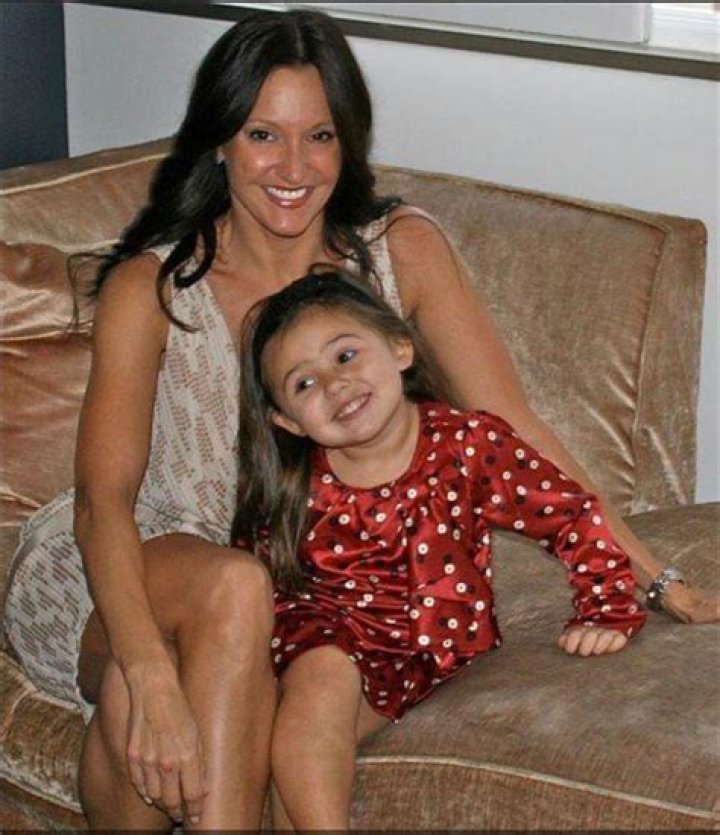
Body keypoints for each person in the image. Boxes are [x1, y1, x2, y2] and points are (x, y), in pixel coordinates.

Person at [2, 5, 715, 832]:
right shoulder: (154, 287)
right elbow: (104, 502)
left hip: (282, 594)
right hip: (128, 560)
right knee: (215, 609)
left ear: (349, 145)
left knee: (221, 641)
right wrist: (150, 672)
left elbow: (513, 427)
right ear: (220, 142)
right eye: (263, 135)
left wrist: (656, 579)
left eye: (320, 136)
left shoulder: (397, 252)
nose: (293, 166)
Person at [233, 269, 647, 830]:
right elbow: (253, 582)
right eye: (303, 383)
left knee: (301, 759)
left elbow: (570, 512)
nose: (334, 384)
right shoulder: (292, 486)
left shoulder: (468, 444)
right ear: (287, 421)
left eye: (346, 356)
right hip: (317, 638)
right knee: (320, 682)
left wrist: (606, 606)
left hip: (429, 645)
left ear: (400, 348)